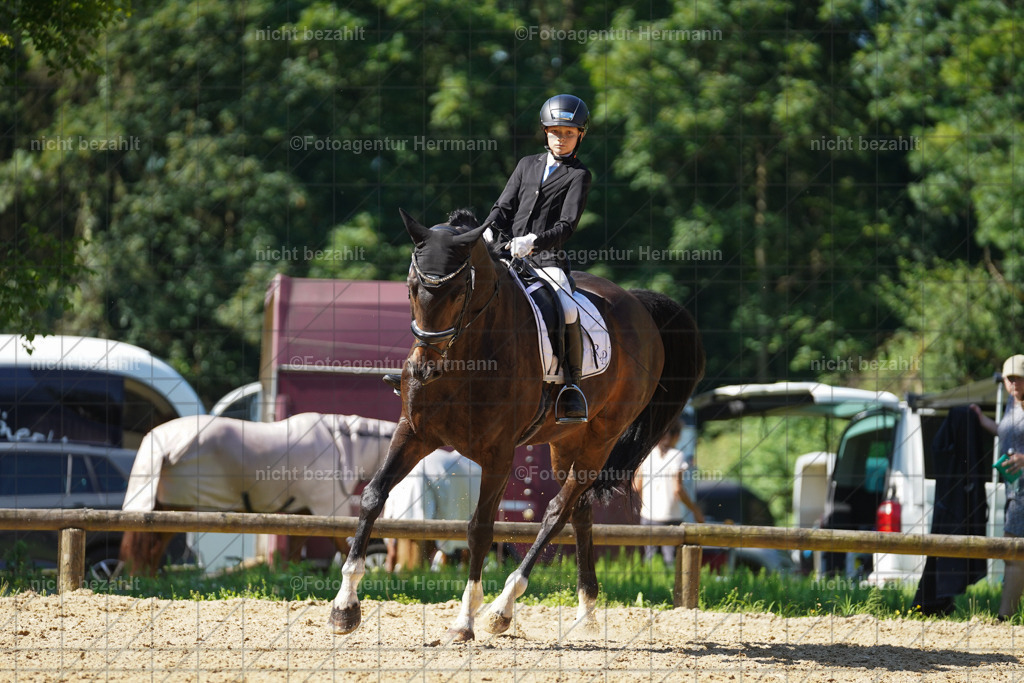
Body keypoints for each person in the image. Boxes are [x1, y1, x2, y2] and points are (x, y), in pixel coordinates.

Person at [483, 94, 592, 421]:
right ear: (545, 132)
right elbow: (503, 207)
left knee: (569, 309)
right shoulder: (526, 165)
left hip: (547, 260)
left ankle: (571, 387)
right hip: (505, 253)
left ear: (579, 136)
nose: (561, 140)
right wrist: (488, 231)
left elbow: (566, 225)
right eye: (556, 132)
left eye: (569, 133)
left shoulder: (578, 175)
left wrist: (533, 242)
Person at [972, 353, 1024, 621]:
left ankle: (1005, 618)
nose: (1015, 382)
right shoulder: (1010, 404)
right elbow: (1006, 433)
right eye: (1010, 378)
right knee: (1012, 553)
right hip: (1014, 490)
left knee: (1013, 552)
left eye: (1019, 377)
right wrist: (982, 421)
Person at [633, 419, 705, 565]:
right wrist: (695, 510)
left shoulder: (647, 455)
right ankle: (672, 588)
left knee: (650, 559)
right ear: (676, 435)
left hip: (648, 515)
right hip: (671, 515)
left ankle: (648, 587)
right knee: (670, 561)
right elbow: (678, 489)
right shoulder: (677, 455)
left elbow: (636, 486)